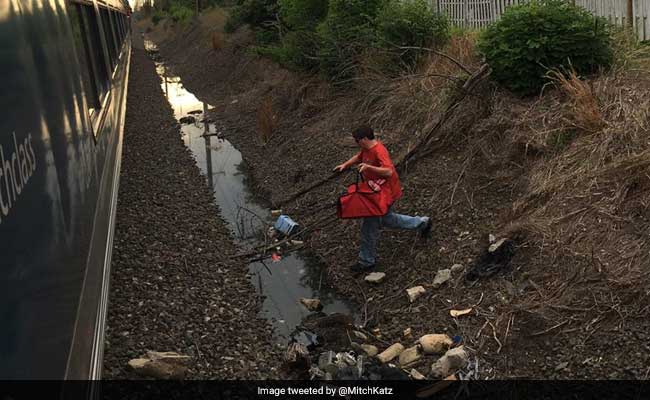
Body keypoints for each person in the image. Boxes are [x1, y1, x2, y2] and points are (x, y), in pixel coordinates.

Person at [334, 125, 431, 273]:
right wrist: (345, 165)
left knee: (368, 228)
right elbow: (359, 157)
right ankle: (423, 223)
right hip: (377, 193)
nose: (355, 143)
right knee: (388, 219)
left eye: (357, 140)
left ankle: (366, 261)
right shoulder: (366, 149)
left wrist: (368, 168)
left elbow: (388, 171)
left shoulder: (379, 150)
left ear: (365, 139)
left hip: (385, 194)